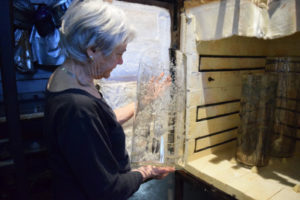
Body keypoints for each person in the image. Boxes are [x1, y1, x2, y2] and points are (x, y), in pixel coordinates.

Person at [43, 0, 175, 199]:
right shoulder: (76, 107)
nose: (120, 61)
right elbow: (108, 191)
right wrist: (148, 171)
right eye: (118, 53)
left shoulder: (68, 75)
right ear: (92, 50)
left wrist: (142, 102)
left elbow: (98, 124)